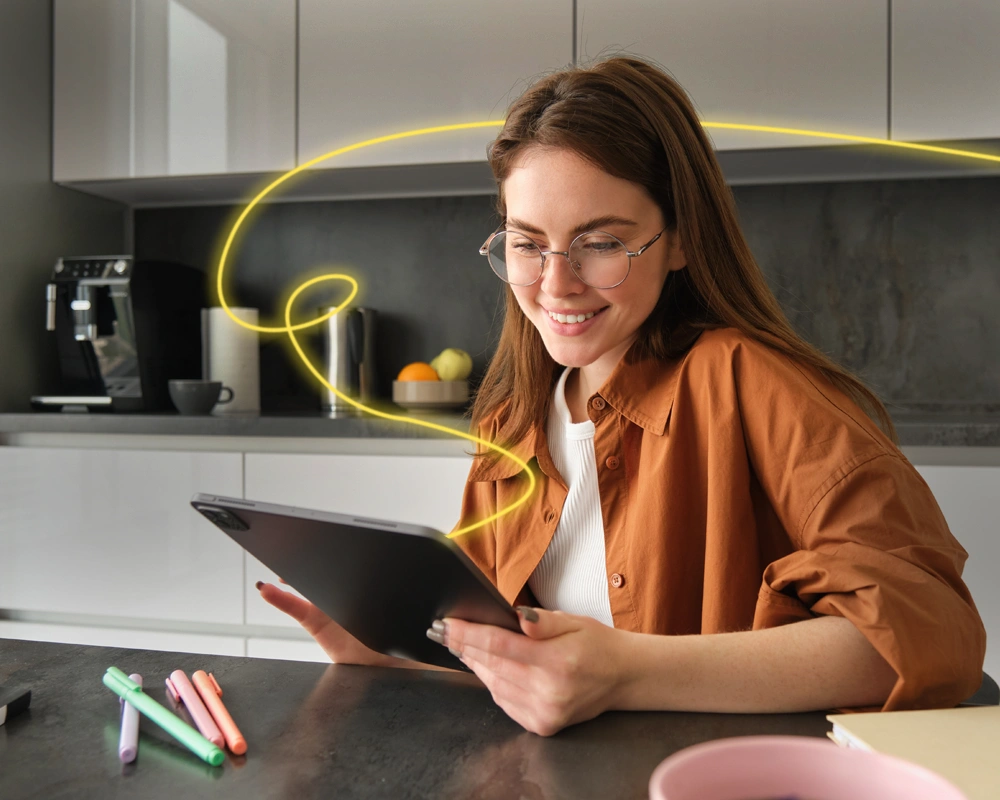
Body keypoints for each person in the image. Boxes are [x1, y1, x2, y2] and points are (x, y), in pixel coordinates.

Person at [258, 56, 985, 736]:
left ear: (679, 240)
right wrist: (392, 657)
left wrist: (628, 670)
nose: (555, 283)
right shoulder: (511, 423)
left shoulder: (751, 383)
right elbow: (520, 665)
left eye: (601, 242)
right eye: (526, 242)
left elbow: (932, 635)